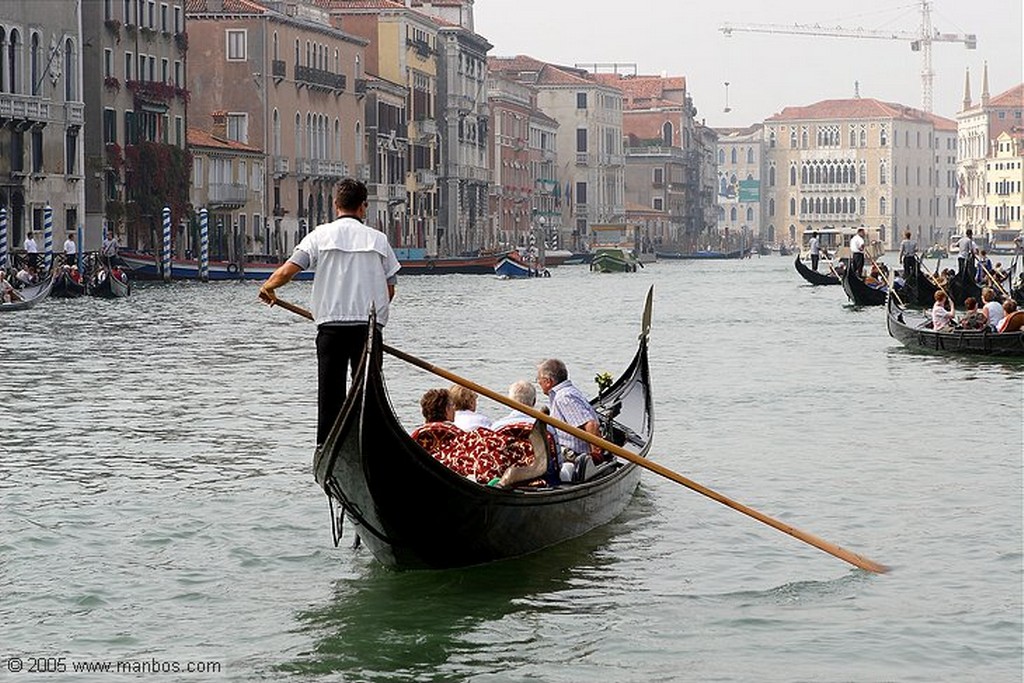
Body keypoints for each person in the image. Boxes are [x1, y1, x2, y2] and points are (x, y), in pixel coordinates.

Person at [258, 178, 401, 447]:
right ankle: (369, 443)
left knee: (330, 393)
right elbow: (390, 290)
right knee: (369, 393)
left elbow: (289, 270)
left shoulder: (319, 235)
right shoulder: (379, 240)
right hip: (368, 330)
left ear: (336, 205)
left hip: (331, 329)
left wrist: (268, 287)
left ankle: (327, 444)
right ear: (363, 207)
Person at [537, 358, 603, 482]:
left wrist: (596, 455)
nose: (538, 383)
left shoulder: (563, 397)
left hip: (573, 455)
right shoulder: (568, 392)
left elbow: (591, 425)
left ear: (548, 381)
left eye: (539, 380)